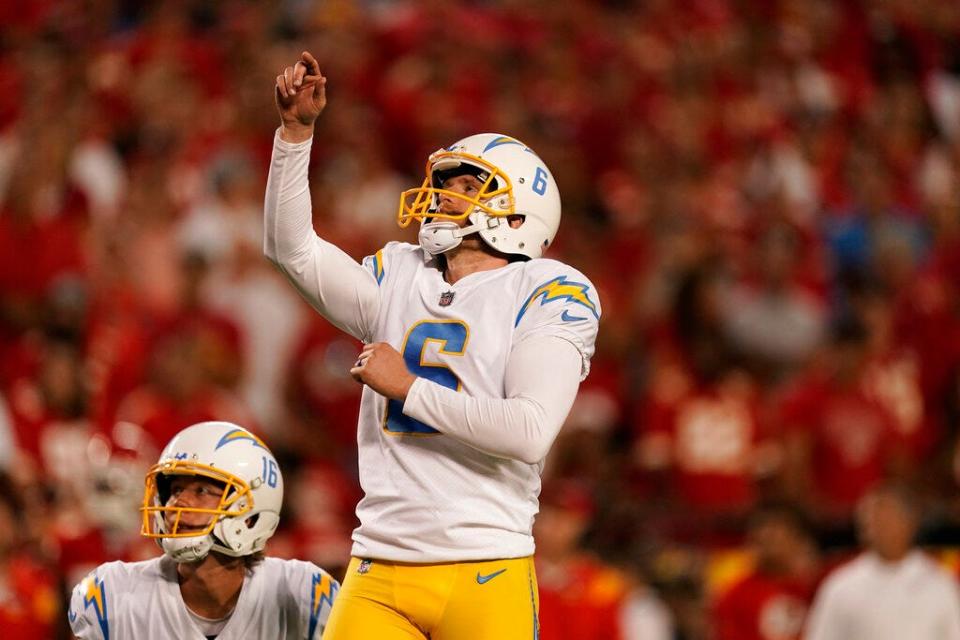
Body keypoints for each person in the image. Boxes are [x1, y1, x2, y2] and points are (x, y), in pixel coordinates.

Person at [265, 51, 601, 639]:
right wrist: (295, 136)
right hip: (379, 564)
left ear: (519, 213)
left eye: (467, 187)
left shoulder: (547, 286)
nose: (443, 197)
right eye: (442, 184)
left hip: (485, 567)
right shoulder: (400, 271)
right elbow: (292, 250)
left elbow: (527, 432)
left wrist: (408, 387)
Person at [68, 421, 339, 639]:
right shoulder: (115, 595)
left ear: (250, 514)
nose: (179, 502)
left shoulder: (302, 594)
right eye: (175, 490)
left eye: (202, 490)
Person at [804, 482, 960, 640]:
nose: (878, 526)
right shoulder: (841, 586)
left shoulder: (940, 584)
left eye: (887, 517)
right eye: (871, 519)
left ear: (910, 523)